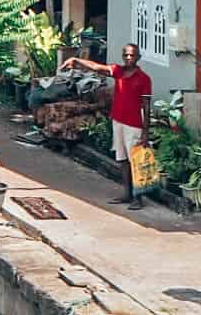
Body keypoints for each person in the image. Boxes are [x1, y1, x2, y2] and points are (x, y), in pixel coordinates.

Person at [60, 43, 154, 209]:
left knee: (136, 162)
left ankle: (138, 197)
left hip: (134, 125)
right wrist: (76, 60)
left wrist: (146, 132)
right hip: (118, 121)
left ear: (138, 57)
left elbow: (146, 106)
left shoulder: (144, 78)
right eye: (125, 55)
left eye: (132, 55)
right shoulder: (118, 71)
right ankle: (127, 193)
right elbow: (97, 67)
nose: (128, 58)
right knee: (122, 159)